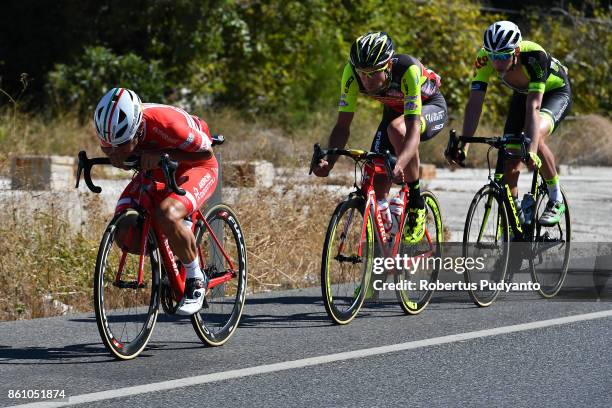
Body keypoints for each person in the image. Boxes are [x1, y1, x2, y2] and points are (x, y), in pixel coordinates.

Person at [313, 31, 447, 243]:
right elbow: (342, 126)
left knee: (397, 130)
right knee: (377, 177)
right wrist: (328, 163)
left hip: (429, 107)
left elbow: (411, 131)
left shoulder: (407, 70)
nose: (365, 79)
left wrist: (400, 165)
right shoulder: (352, 73)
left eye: (372, 73)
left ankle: (416, 201)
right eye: (361, 73)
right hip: (395, 112)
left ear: (388, 66)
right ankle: (387, 246)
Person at [93, 87, 218, 315]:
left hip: (196, 165)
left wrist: (162, 156)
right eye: (107, 147)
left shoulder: (167, 125)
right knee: (124, 220)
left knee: (166, 214)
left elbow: (206, 155)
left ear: (137, 131)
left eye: (120, 147)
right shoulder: (114, 131)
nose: (114, 153)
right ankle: (171, 252)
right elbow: (125, 153)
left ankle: (196, 278)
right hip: (159, 167)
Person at [449, 21, 571, 226]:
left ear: (515, 51)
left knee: (534, 138)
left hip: (553, 93)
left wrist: (531, 150)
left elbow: (533, 106)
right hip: (523, 94)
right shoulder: (484, 58)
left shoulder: (534, 56)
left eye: (503, 56)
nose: (497, 62)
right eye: (493, 56)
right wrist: (465, 145)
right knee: (510, 158)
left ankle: (555, 198)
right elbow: (475, 103)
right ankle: (515, 220)